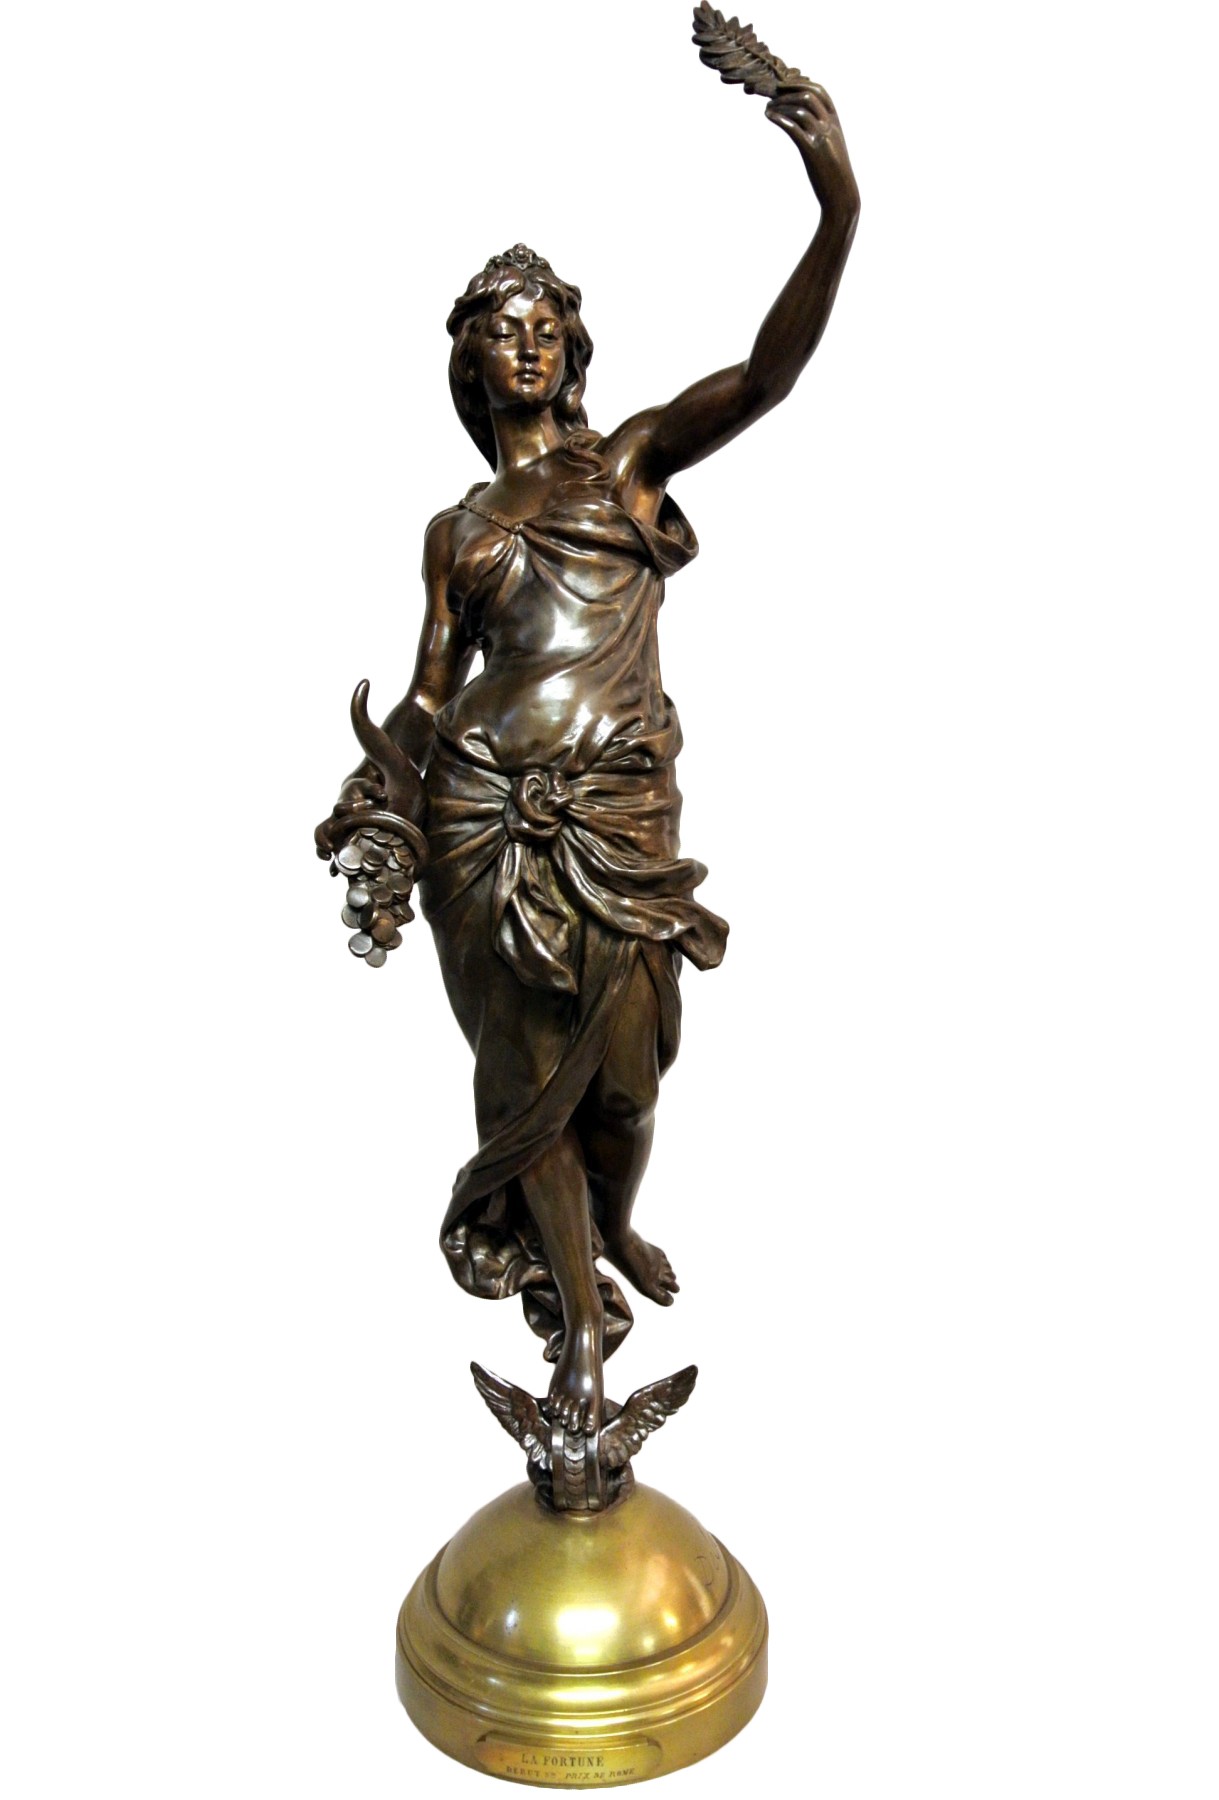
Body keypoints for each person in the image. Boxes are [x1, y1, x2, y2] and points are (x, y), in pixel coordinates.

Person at [317, 82, 859, 1435]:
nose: (528, 343)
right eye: (503, 328)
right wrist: (377, 787)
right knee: (528, 1087)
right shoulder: (458, 529)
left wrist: (837, 208)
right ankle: (578, 1346)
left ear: (574, 350)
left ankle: (607, 1226)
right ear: (471, 363)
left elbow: (767, 377)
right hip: (485, 825)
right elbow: (431, 692)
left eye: (547, 325)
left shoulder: (626, 467)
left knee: (624, 1083)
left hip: (617, 816)